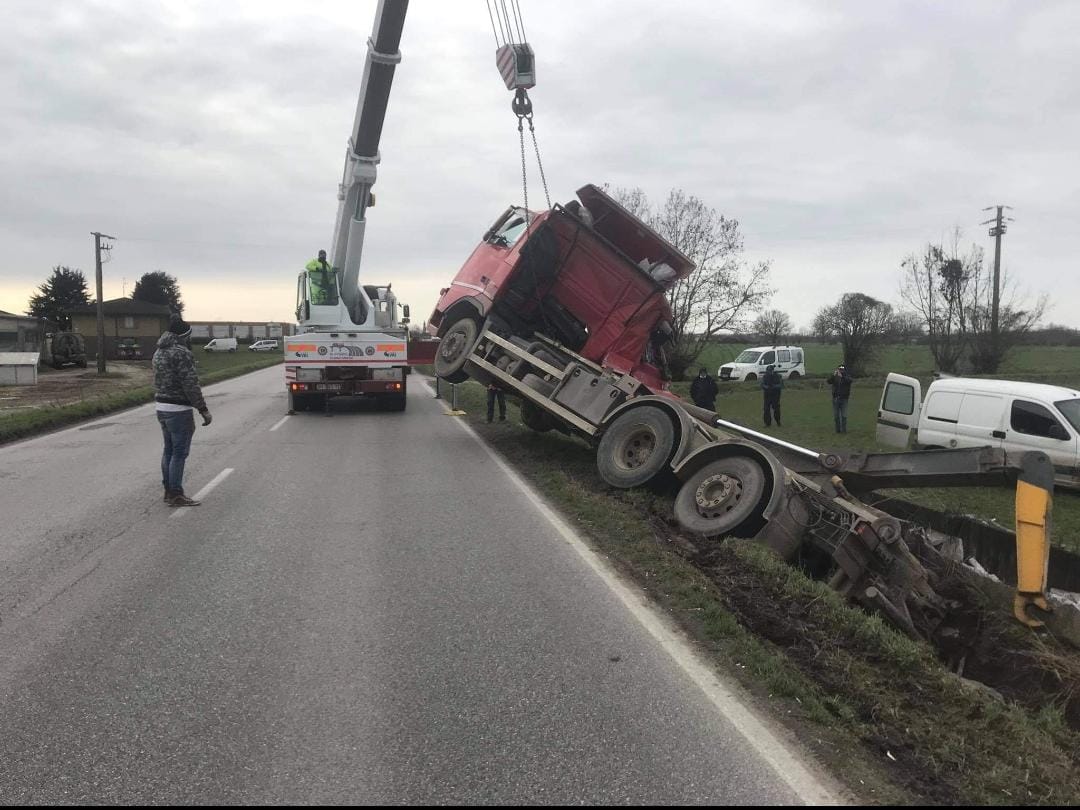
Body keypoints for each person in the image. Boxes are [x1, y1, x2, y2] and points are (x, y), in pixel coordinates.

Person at [153, 316, 212, 506]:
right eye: (188, 336)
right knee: (179, 453)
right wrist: (203, 409)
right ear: (183, 335)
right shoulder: (181, 353)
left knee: (168, 450)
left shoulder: (158, 352)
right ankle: (176, 494)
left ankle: (168, 490)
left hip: (161, 407)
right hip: (179, 409)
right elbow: (190, 384)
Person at [827, 364, 853, 433]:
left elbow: (850, 381)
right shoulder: (835, 376)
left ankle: (844, 430)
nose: (841, 371)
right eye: (839, 369)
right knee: (836, 416)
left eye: (842, 369)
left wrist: (843, 376)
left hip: (844, 399)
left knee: (844, 415)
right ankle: (837, 430)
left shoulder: (847, 376)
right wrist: (833, 376)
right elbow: (829, 381)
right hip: (836, 398)